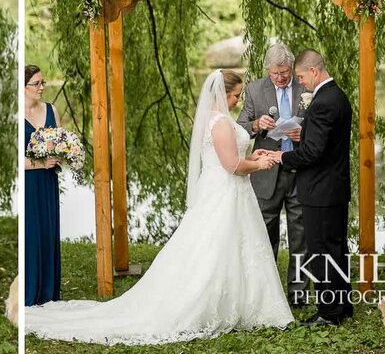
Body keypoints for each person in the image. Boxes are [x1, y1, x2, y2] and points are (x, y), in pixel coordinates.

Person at [25, 69, 293, 345]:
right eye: (236, 95)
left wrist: (254, 155)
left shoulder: (215, 120)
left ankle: (239, 301)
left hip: (226, 193)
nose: (238, 100)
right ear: (224, 94)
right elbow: (233, 166)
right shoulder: (221, 123)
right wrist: (259, 164)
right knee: (215, 249)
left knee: (230, 247)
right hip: (224, 193)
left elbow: (234, 158)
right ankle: (216, 302)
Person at [267, 49, 353, 325]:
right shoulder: (337, 96)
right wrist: (306, 133)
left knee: (321, 252)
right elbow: (324, 143)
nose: (300, 81)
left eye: (302, 76)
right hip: (334, 188)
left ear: (314, 71)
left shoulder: (323, 102)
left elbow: (312, 154)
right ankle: (342, 306)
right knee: (337, 248)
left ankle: (328, 313)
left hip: (320, 190)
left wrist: (282, 156)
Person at [236, 42, 308, 307]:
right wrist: (256, 124)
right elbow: (240, 127)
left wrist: (304, 132)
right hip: (266, 171)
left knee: (301, 235)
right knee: (265, 234)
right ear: (268, 70)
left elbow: (320, 122)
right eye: (275, 73)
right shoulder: (255, 89)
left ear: (291, 68)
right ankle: (267, 294)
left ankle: (298, 294)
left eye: (284, 73)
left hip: (299, 169)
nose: (279, 78)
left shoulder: (305, 86)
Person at [24, 64, 61, 306]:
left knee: (48, 232)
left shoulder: (51, 110)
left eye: (42, 83)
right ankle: (30, 291)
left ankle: (48, 290)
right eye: (35, 84)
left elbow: (60, 143)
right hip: (29, 183)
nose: (41, 88)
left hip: (48, 182)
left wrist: (63, 155)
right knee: (31, 235)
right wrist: (40, 163)